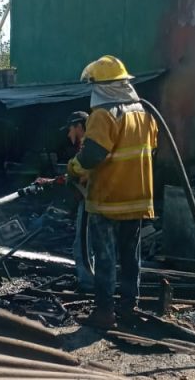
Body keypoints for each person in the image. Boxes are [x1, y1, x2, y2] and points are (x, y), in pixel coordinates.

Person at [67, 55, 158, 330]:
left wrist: (73, 168)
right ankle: (129, 308)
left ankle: (105, 312)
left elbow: (92, 155)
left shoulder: (103, 116)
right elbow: (151, 150)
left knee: (105, 258)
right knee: (130, 257)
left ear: (101, 87)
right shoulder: (144, 114)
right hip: (137, 199)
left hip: (108, 200)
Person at [61, 110, 93, 293]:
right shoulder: (92, 144)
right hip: (94, 201)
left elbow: (82, 172)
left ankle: (87, 284)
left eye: (70, 129)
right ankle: (93, 281)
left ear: (79, 126)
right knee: (90, 244)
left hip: (90, 202)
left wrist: (70, 173)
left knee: (83, 245)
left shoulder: (88, 146)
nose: (69, 134)